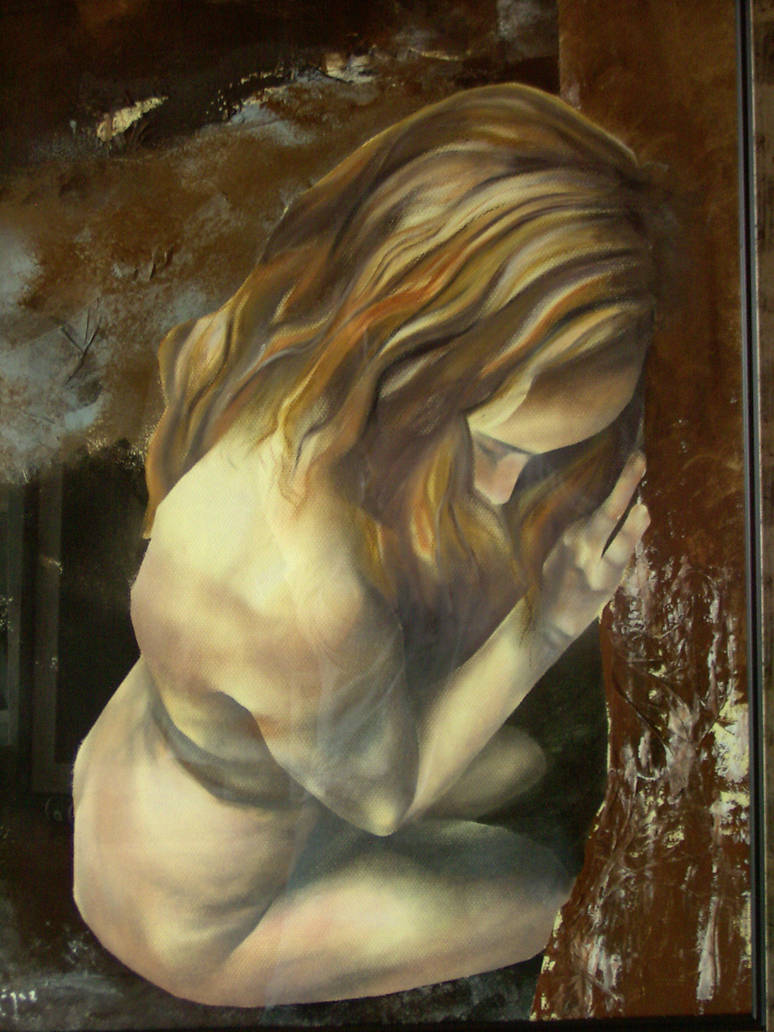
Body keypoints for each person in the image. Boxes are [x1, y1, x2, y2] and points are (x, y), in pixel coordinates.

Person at [72, 84, 660, 1007]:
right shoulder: (302, 585)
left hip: (155, 799)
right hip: (204, 925)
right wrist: (547, 621)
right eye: (495, 447)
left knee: (521, 763)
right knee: (555, 893)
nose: (502, 489)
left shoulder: (288, 384)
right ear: (417, 360)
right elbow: (390, 799)